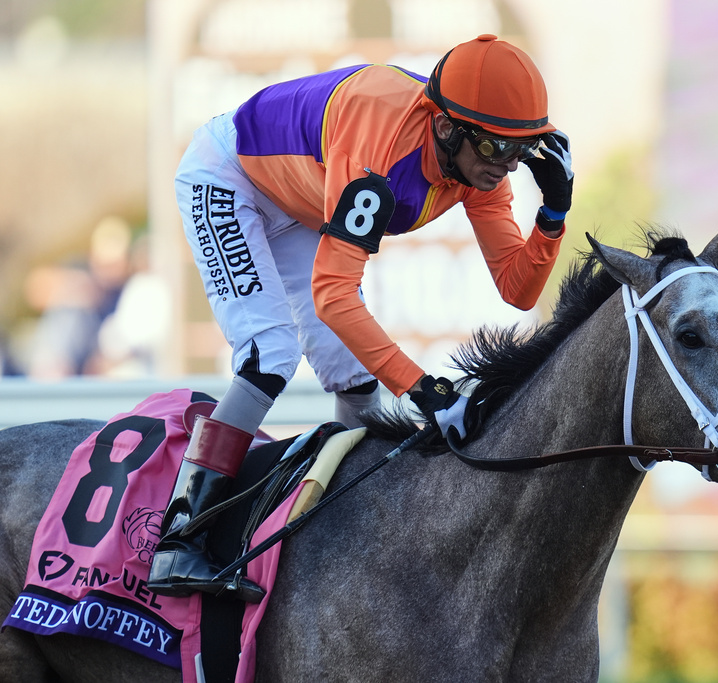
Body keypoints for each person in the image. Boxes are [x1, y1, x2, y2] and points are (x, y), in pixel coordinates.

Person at [148, 34, 573, 602]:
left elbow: (518, 291)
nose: (510, 165)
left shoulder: (475, 164)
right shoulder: (383, 139)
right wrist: (425, 391)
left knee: (355, 377)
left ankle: (346, 530)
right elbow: (334, 295)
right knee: (270, 353)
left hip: (301, 202)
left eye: (523, 150)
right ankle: (179, 539)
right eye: (499, 148)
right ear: (446, 128)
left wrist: (553, 213)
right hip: (230, 178)